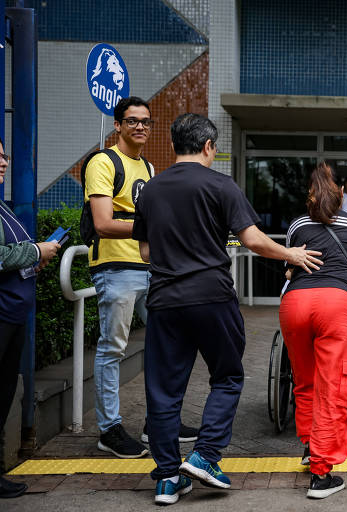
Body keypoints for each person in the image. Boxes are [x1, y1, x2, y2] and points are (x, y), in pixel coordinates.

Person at [133, 113, 322, 505]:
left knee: (164, 391)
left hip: (165, 301)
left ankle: (168, 478)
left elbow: (146, 251)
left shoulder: (150, 190)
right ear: (208, 147)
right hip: (212, 297)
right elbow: (252, 240)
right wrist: (292, 253)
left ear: (172, 146)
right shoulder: (221, 185)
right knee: (227, 376)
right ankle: (205, 455)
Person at [84, 97, 198, 458]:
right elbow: (102, 223)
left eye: (146, 122)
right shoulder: (103, 162)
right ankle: (110, 429)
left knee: (169, 346)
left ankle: (159, 422)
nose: (140, 127)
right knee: (112, 349)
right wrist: (152, 227)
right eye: (132, 121)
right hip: (115, 269)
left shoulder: (149, 168)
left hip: (150, 270)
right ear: (117, 125)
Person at [280, 162, 347, 499]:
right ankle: (321, 473)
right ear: (340, 196)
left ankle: (309, 446)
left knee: (304, 381)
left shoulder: (296, 226)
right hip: (335, 306)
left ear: (309, 197)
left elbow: (290, 267)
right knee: (333, 386)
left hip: (294, 305)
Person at [0, 138, 60, 498]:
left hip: (12, 317)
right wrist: (36, 250)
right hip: (3, 317)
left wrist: (32, 256)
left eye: (4, 154)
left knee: (3, 394)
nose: (3, 162)